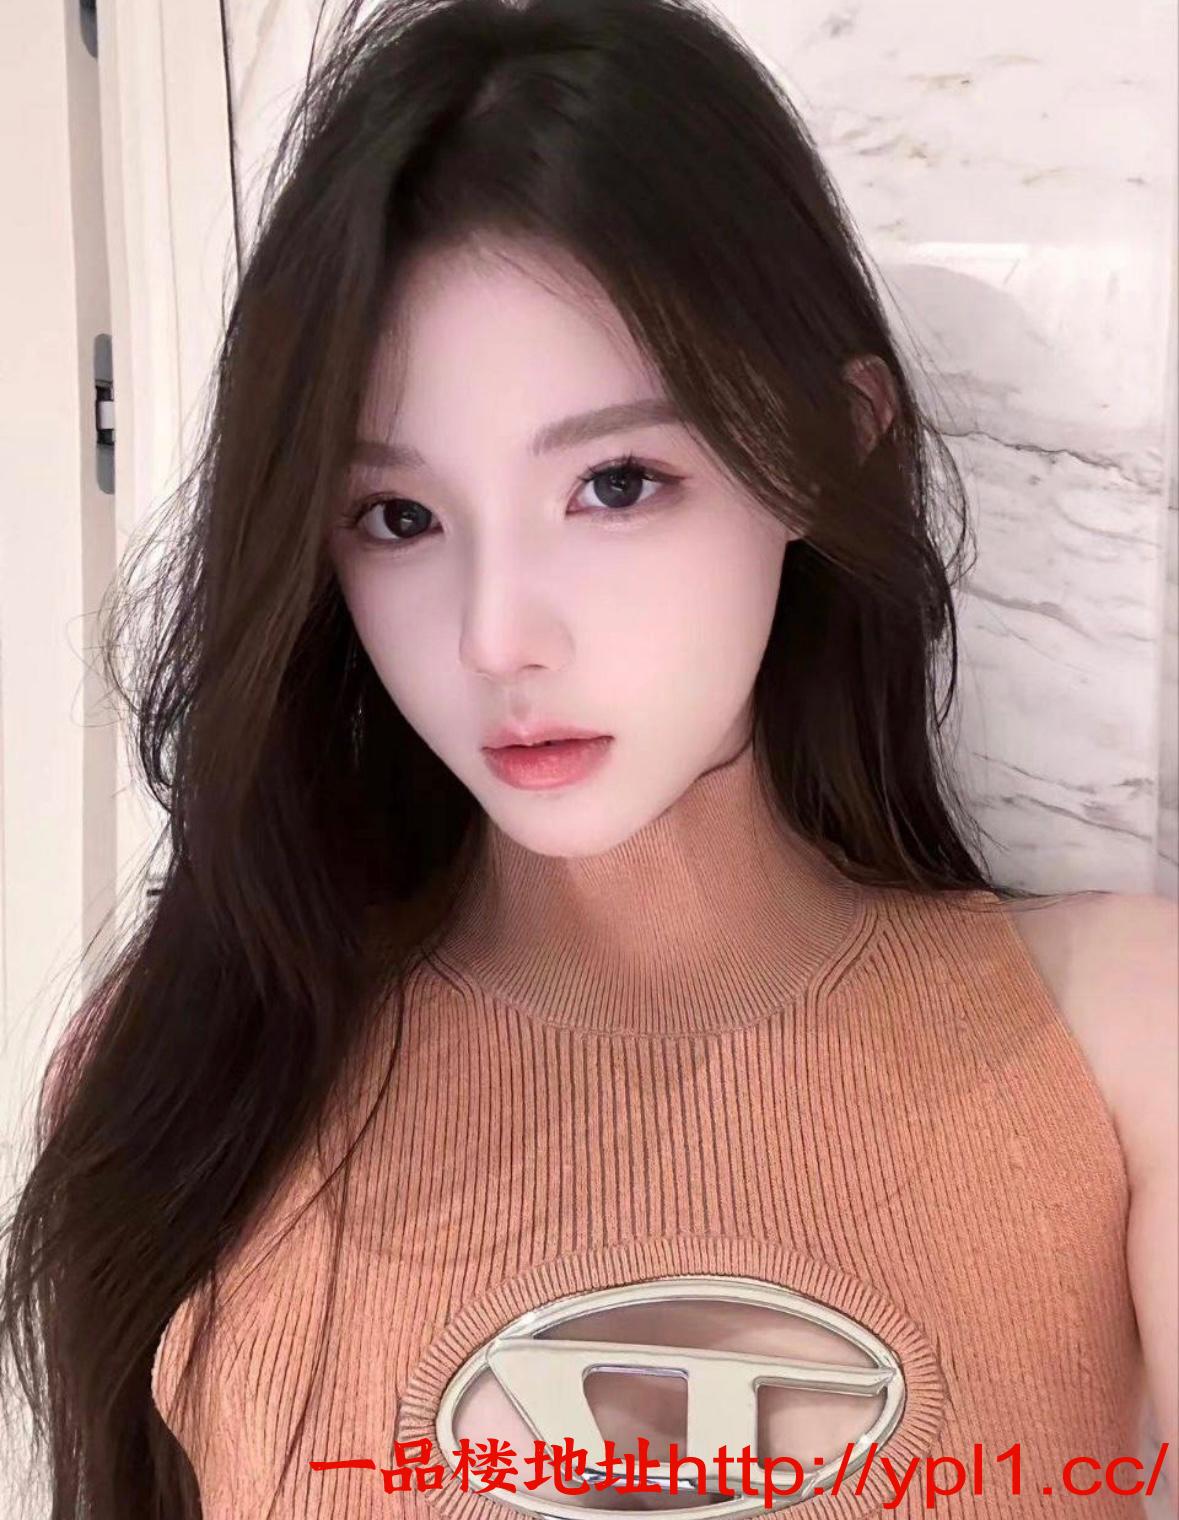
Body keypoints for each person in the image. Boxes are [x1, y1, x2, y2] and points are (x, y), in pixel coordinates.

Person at [1, 0, 1174, 1516]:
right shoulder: (191, 1081)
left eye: (616, 483)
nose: (497, 635)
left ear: (833, 446)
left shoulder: (1117, 1050)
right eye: (399, 518)